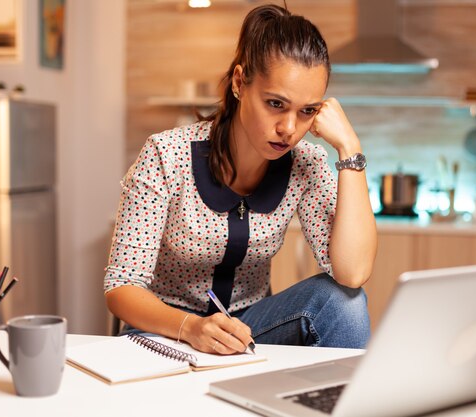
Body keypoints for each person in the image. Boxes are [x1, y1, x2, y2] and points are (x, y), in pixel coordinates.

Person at [104, 3, 378, 355]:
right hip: (164, 329)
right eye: (276, 104)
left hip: (250, 329)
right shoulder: (165, 155)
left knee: (344, 301)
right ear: (239, 83)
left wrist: (349, 149)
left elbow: (352, 274)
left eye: (307, 111)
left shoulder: (307, 164)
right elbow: (121, 286)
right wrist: (192, 328)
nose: (289, 129)